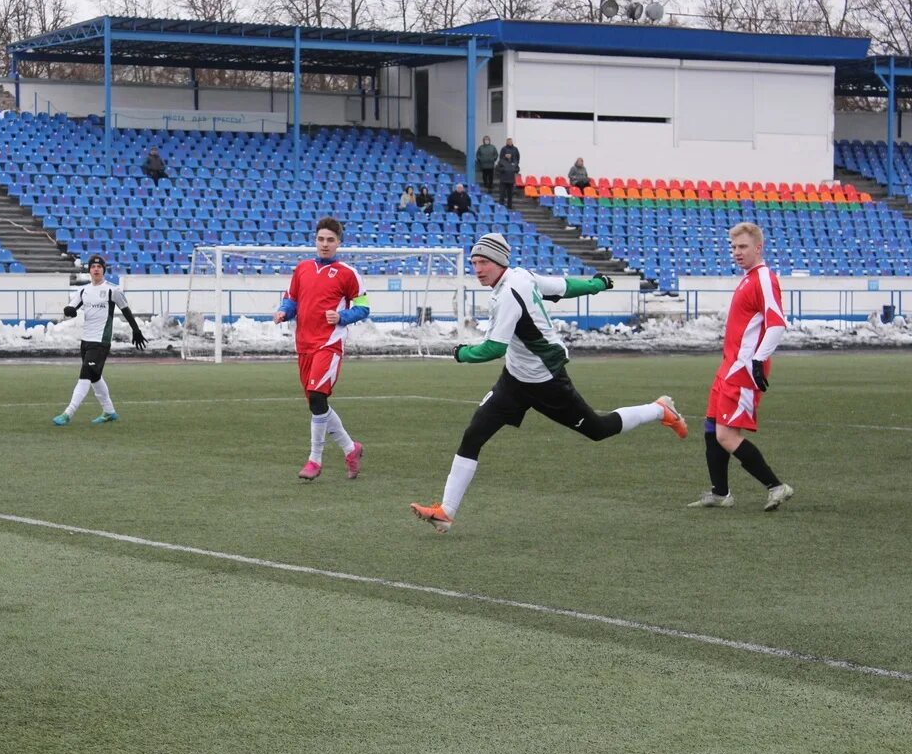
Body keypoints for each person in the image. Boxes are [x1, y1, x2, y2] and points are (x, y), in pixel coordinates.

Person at [410, 233, 688, 533]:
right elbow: (563, 287)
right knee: (473, 434)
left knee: (598, 429)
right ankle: (446, 512)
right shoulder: (521, 277)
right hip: (514, 380)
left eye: (484, 262)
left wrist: (461, 353)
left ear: (500, 261)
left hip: (547, 381)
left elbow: (494, 348)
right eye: (475, 262)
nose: (477, 269)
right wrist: (595, 284)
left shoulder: (509, 293)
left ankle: (660, 409)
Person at [688, 222, 793, 511]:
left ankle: (776, 486)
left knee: (726, 435)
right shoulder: (749, 278)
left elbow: (777, 323)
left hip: (743, 370)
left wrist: (758, 360)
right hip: (729, 367)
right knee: (711, 427)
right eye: (734, 247)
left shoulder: (764, 278)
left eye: (743, 246)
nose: (737, 252)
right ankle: (720, 493)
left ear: (758, 248)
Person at [272, 217, 369, 480]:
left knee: (316, 396)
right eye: (321, 239)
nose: (325, 244)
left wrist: (342, 317)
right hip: (304, 344)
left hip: (329, 344)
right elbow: (292, 299)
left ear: (339, 243)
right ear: (315, 240)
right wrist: (283, 312)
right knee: (318, 404)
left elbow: (363, 307)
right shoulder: (302, 269)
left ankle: (315, 460)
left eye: (330, 240)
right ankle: (351, 449)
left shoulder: (348, 273)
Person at [53, 254, 147, 426]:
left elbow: (126, 310)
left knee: (85, 376)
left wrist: (136, 330)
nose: (96, 269)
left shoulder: (113, 290)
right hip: (86, 341)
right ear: (89, 270)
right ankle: (109, 412)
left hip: (101, 341)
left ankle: (68, 413)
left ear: (104, 270)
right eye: (93, 267)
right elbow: (71, 307)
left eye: (99, 267)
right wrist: (68, 310)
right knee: (95, 377)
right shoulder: (83, 291)